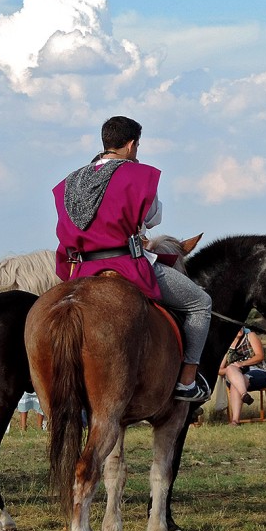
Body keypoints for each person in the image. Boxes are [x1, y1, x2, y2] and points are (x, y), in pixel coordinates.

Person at [53, 115, 212, 403]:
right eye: (137, 147)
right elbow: (152, 219)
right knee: (200, 303)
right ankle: (187, 381)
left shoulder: (71, 181)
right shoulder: (137, 175)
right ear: (130, 145)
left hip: (83, 269)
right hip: (126, 264)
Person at [218, 327, 266, 426]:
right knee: (232, 372)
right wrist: (231, 370)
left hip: (257, 372)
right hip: (236, 376)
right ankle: (244, 394)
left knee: (236, 383)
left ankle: (235, 421)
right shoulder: (226, 345)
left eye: (241, 326)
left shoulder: (250, 336)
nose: (239, 329)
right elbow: (220, 370)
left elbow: (259, 356)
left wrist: (242, 364)